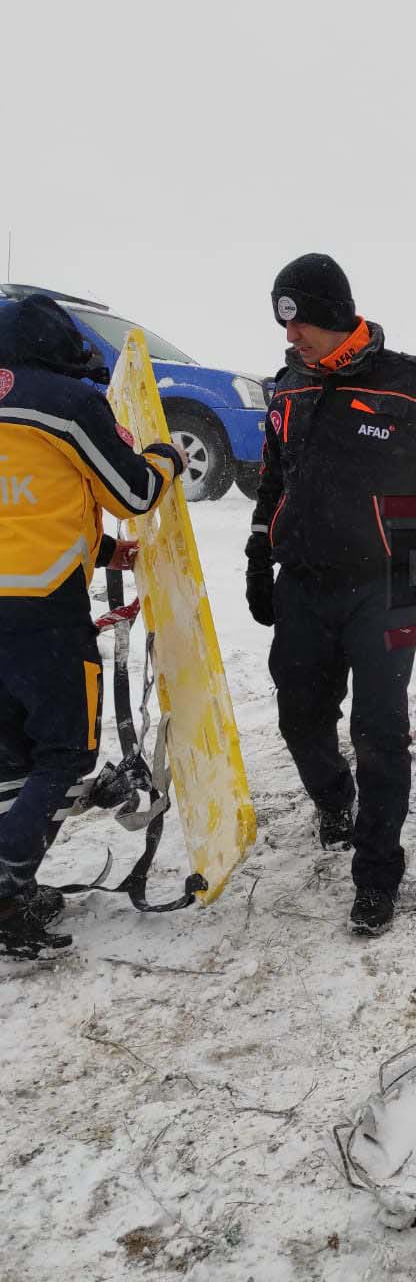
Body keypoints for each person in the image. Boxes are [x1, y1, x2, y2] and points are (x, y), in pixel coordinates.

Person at [246, 253, 416, 937]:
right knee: (300, 718)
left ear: (332, 317)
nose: (290, 337)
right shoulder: (289, 388)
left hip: (384, 588)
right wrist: (255, 551)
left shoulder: (411, 387)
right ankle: (334, 801)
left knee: (379, 731)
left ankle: (377, 874)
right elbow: (275, 476)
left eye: (299, 322)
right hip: (302, 582)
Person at [0, 293, 184, 955]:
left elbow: (21, 505)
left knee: (11, 764)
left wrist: (105, 552)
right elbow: (133, 491)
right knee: (64, 757)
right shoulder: (66, 403)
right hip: (42, 616)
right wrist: (166, 455)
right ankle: (5, 888)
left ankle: (14, 888)